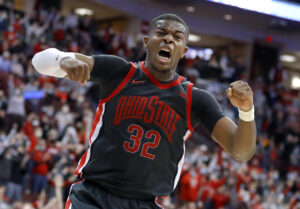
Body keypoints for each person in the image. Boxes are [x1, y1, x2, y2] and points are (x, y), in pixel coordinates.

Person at [32, 14, 256, 209]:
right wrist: (63, 60)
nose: (169, 38)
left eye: (177, 37)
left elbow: (241, 151)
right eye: (161, 32)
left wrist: (247, 111)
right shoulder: (119, 72)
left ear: (183, 51)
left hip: (145, 202)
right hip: (93, 196)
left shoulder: (195, 99)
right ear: (147, 41)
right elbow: (39, 61)